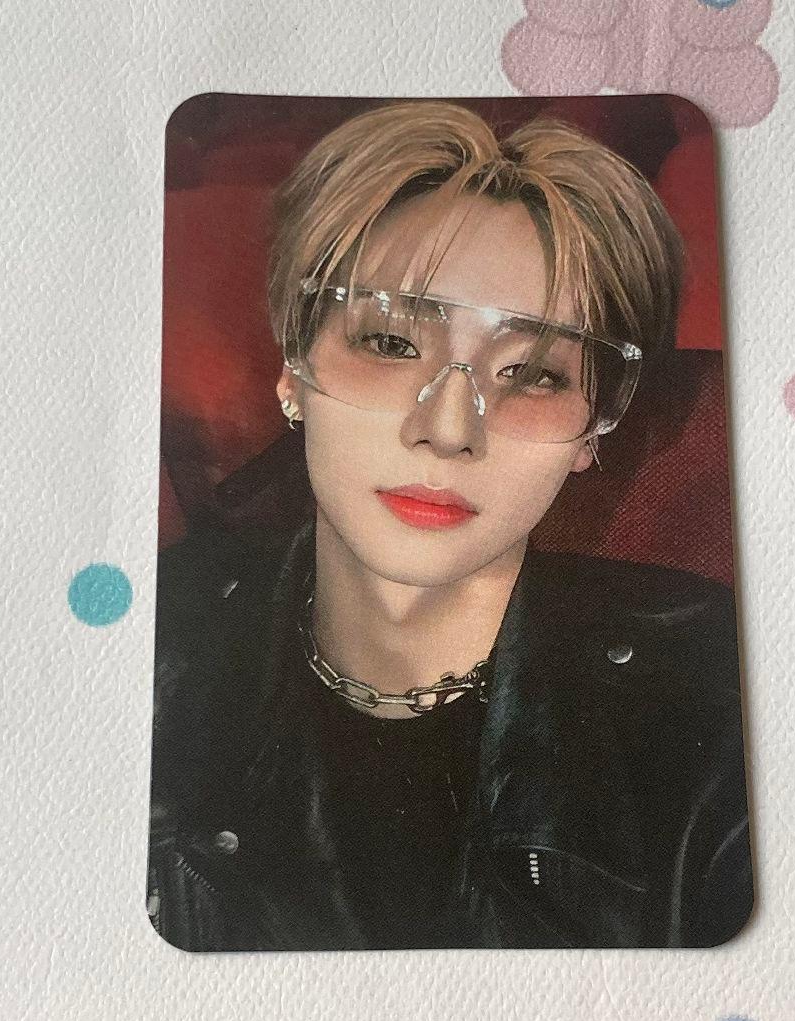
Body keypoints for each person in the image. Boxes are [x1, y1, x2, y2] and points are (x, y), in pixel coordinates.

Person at [147, 100, 753, 951]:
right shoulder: (155, 642)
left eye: (533, 374)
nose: (449, 429)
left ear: (592, 427)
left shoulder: (716, 693)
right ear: (293, 371)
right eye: (392, 344)